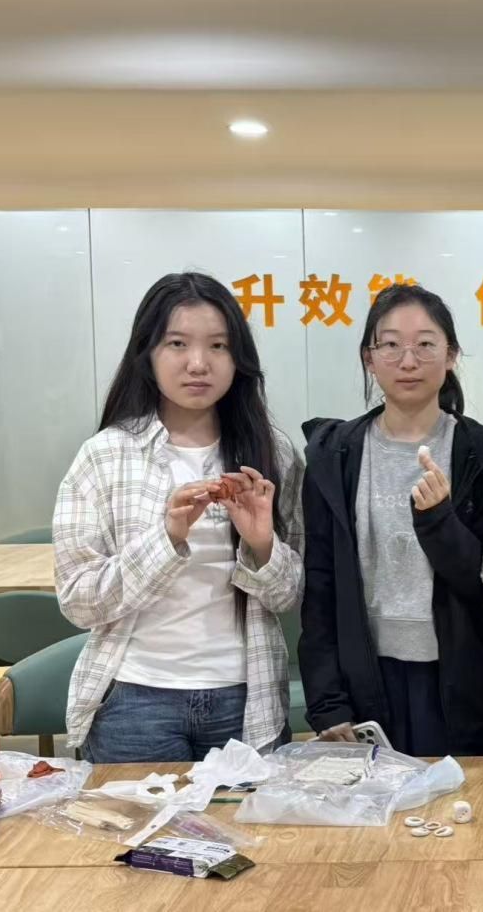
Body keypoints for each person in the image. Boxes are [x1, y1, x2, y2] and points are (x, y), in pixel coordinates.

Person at [54, 272, 303, 762]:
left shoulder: (272, 453)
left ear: (238, 358)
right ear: (147, 353)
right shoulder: (105, 455)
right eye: (177, 343)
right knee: (134, 818)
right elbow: (78, 601)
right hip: (134, 700)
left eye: (218, 345)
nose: (198, 363)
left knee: (248, 817)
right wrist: (167, 540)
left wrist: (262, 546)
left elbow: (290, 595)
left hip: (246, 698)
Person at [300, 284, 483, 756]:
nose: (408, 360)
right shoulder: (334, 455)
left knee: (466, 800)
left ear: (451, 355)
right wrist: (327, 700)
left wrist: (438, 521)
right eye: (391, 345)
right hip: (364, 676)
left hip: (458, 680)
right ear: (369, 359)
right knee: (374, 804)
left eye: (425, 344)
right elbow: (320, 584)